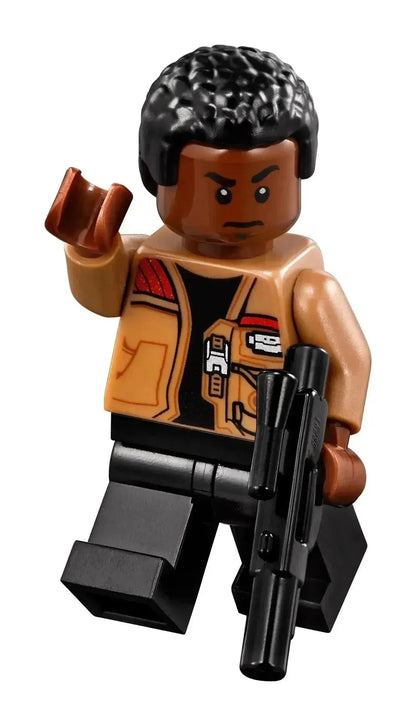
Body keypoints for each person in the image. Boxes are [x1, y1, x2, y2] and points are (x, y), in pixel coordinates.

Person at [45, 45, 370, 653]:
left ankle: (303, 591)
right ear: (160, 178)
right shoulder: (146, 259)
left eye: (265, 190)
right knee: (136, 541)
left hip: (265, 450)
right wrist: (90, 250)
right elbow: (104, 296)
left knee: (289, 547)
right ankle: (134, 584)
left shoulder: (303, 285)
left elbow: (351, 359)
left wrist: (337, 441)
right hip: (152, 440)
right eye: (221, 193)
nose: (242, 210)